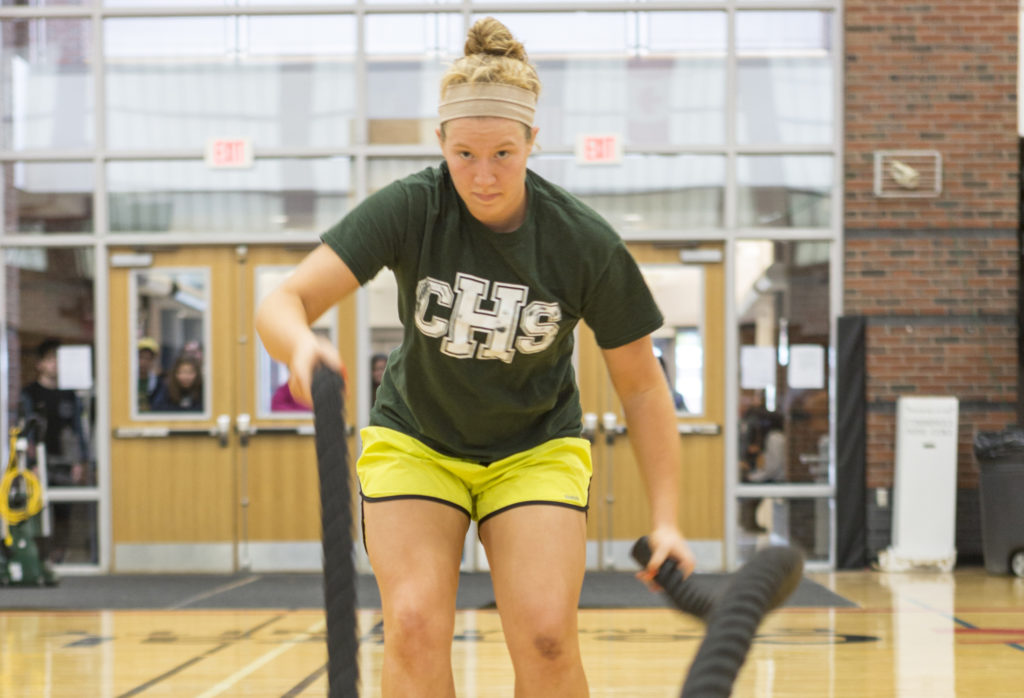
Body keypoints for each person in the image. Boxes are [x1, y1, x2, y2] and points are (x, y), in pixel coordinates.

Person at [256, 17, 693, 698]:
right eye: (464, 155)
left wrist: (665, 518)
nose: (483, 176)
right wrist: (299, 346)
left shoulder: (584, 242)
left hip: (534, 450)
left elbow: (641, 387)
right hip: (418, 442)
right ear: (440, 143)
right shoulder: (412, 208)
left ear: (531, 144)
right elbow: (282, 301)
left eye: (502, 155)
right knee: (413, 624)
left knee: (548, 636)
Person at [19, 337, 89, 486]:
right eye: (50, 359)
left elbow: (77, 428)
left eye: (58, 358)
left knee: (64, 505)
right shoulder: (30, 394)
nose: (55, 363)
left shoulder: (70, 394)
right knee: (37, 506)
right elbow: (26, 430)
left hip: (65, 463)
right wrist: (31, 464)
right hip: (39, 462)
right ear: (40, 364)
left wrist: (79, 461)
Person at [136, 337, 163, 412]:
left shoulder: (158, 383)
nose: (143, 362)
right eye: (140, 357)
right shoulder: (126, 381)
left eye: (148, 358)